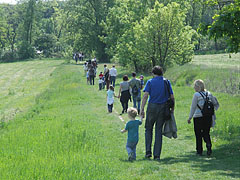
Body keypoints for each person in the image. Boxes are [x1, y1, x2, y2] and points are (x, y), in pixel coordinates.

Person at [140, 66, 175, 160]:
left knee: (148, 128)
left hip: (152, 106)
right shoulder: (166, 82)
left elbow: (145, 95)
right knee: (158, 130)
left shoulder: (150, 82)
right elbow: (172, 96)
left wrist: (142, 109)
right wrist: (173, 109)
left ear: (153, 73)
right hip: (163, 107)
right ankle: (157, 155)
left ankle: (148, 152)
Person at [187, 79, 219, 156]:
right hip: (208, 117)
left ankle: (199, 151)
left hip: (198, 117)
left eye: (195, 86)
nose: (194, 88)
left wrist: (190, 117)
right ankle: (208, 145)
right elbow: (216, 103)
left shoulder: (196, 95)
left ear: (198, 87)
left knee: (198, 134)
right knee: (206, 132)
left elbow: (193, 107)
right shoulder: (209, 94)